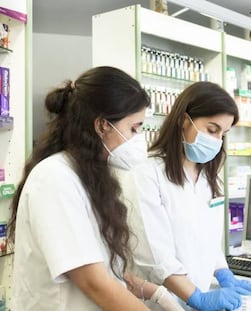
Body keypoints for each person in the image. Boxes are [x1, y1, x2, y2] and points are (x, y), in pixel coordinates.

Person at [8, 66, 183, 311]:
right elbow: (93, 282)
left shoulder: (93, 177)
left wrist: (157, 294)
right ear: (102, 125)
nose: (139, 137)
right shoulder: (55, 178)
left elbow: (106, 268)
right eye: (134, 128)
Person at [128, 81, 251, 311]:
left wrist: (223, 272)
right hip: (158, 305)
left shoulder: (208, 177)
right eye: (212, 130)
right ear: (184, 121)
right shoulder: (147, 173)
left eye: (223, 134)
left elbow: (205, 239)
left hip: (199, 298)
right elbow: (155, 255)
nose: (216, 140)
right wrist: (196, 297)